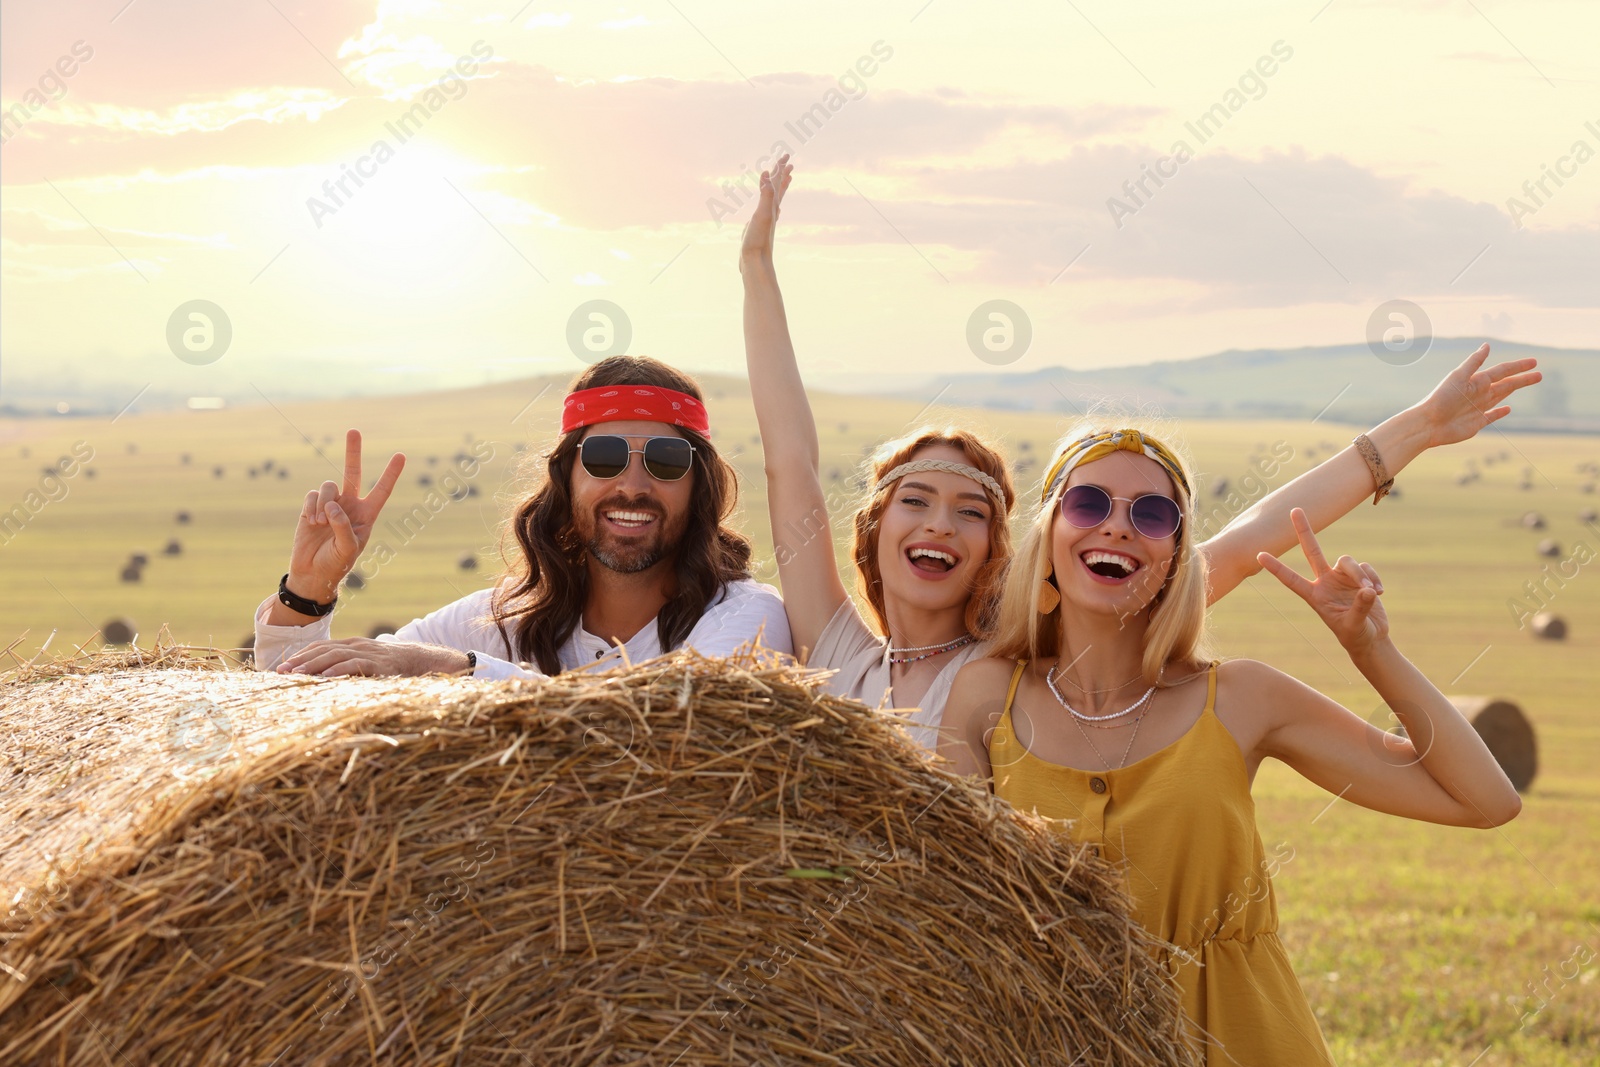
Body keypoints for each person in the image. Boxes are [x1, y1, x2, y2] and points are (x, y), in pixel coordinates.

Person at [740, 153, 1541, 749]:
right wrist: (755, 269)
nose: (939, 525)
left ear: (997, 552)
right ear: (873, 529)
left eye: (970, 511)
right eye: (915, 501)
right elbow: (791, 462)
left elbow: (1252, 537)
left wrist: (1416, 430)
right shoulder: (834, 649)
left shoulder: (1021, 659)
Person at [937, 426, 1521, 1063]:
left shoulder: (1244, 698)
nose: (1118, 527)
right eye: (1089, 504)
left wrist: (1371, 650)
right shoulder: (987, 695)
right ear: (1048, 536)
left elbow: (1487, 801)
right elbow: (957, 911)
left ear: (1176, 558)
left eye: (1153, 514)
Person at [253, 356, 791, 678]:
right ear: (566, 477)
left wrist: (456, 669)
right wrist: (308, 589)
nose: (632, 485)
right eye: (603, 458)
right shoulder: (501, 618)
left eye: (665, 461)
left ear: (699, 484)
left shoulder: (744, 616)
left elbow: (679, 720)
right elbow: (307, 695)